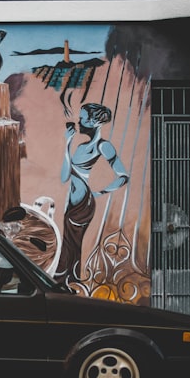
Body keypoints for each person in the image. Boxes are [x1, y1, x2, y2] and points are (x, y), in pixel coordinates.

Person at [54, 103, 129, 287]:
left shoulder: (103, 146)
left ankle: (67, 282)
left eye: (83, 118)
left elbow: (123, 176)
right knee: (68, 243)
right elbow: (64, 177)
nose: (79, 122)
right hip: (71, 204)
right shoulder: (79, 147)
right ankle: (67, 283)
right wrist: (68, 143)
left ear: (94, 122)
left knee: (73, 244)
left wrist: (101, 192)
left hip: (83, 205)